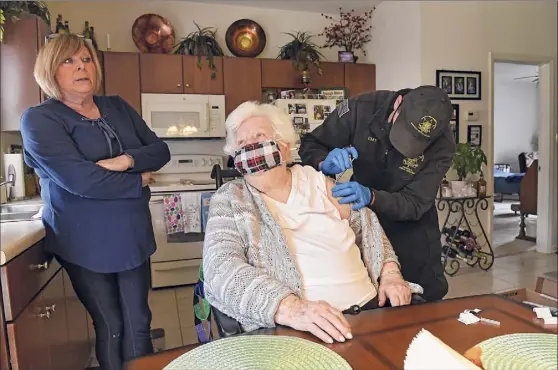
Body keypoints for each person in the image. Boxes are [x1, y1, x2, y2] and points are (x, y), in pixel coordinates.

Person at [202, 101, 423, 345]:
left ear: (284, 148)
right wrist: (292, 309)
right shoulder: (231, 199)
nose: (251, 148)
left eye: (259, 136)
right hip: (298, 332)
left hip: (370, 314)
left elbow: (371, 233)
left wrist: (391, 274)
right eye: (242, 144)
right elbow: (220, 269)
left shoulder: (319, 183)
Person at [20, 34, 170, 370]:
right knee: (111, 326)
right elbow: (81, 180)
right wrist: (137, 179)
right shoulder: (40, 119)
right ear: (50, 70)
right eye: (68, 61)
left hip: (131, 234)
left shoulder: (116, 105)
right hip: (83, 239)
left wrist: (125, 160)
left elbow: (160, 150)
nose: (81, 67)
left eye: (86, 59)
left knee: (138, 322)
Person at [298, 86, 455, 302]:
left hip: (410, 227)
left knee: (422, 300)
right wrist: (324, 162)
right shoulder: (361, 109)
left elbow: (416, 203)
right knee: (368, 296)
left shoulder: (443, 144)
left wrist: (372, 196)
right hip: (363, 221)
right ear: (398, 103)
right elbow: (311, 143)